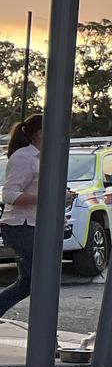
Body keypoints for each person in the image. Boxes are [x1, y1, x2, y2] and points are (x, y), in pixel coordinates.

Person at [0, 114, 43, 322]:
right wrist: (45, 198)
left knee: (27, 283)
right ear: (37, 134)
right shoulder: (24, 157)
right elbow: (9, 195)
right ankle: (46, 341)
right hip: (20, 226)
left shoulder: (43, 157)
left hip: (35, 225)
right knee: (43, 281)